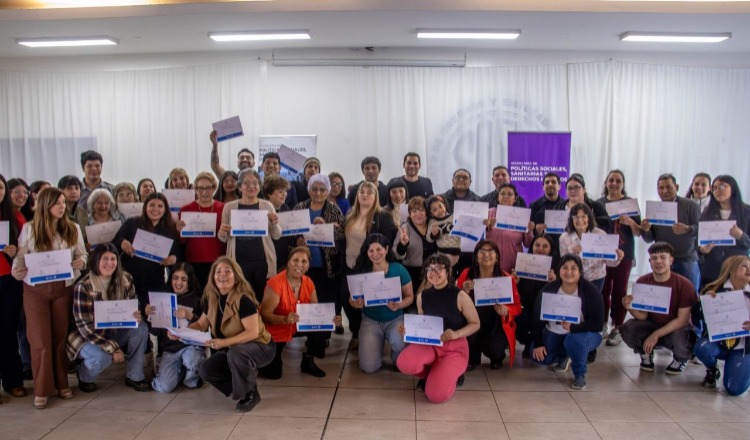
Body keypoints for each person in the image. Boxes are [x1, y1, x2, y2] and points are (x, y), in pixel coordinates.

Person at [12, 187, 87, 409]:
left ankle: (62, 384)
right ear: (45, 205)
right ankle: (42, 389)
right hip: (35, 289)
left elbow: (82, 254)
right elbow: (20, 257)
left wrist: (81, 262)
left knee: (59, 338)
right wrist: (17, 270)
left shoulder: (72, 228)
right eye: (57, 203)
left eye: (63, 203)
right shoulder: (29, 228)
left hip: (63, 287)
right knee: (39, 340)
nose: (62, 207)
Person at [191, 257, 275, 412]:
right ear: (213, 277)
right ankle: (243, 388)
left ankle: (251, 393)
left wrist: (224, 343)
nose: (222, 275)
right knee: (205, 369)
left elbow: (253, 332)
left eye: (227, 271)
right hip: (233, 349)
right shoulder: (211, 299)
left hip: (262, 346)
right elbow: (201, 324)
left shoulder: (243, 300)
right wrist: (181, 332)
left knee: (236, 354)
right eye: (218, 271)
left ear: (236, 277)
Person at [67, 243, 151, 393]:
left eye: (113, 259)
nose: (109, 263)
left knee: (141, 328)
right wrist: (113, 348)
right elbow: (85, 327)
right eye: (104, 259)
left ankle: (135, 375)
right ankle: (84, 376)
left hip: (115, 329)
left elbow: (133, 304)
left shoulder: (126, 279)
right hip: (87, 336)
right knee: (102, 358)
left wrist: (136, 315)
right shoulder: (83, 286)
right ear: (96, 260)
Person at [397, 254, 480, 403]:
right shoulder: (422, 296)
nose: (434, 272)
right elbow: (423, 324)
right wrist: (408, 331)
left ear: (448, 271)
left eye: (439, 268)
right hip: (430, 345)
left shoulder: (460, 296)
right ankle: (432, 374)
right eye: (430, 269)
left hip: (454, 348)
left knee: (436, 396)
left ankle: (452, 374)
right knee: (404, 363)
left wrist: (456, 334)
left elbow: (475, 323)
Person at [621, 242, 697, 375]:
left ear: (671, 260)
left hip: (676, 328)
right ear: (649, 262)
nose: (658, 261)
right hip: (652, 324)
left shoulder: (685, 285)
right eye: (654, 258)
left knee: (682, 340)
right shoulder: (643, 281)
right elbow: (642, 316)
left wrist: (656, 335)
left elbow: (683, 320)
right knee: (628, 328)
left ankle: (680, 359)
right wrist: (629, 307)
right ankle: (645, 353)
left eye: (663, 257)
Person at [259, 247, 335, 379]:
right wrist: (284, 319)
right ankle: (259, 359)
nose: (299, 265)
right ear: (288, 262)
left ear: (308, 265)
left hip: (298, 325)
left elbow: (316, 311)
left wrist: (331, 319)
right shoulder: (275, 283)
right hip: (277, 328)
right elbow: (265, 315)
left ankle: (308, 360)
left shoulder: (309, 282)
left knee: (322, 329)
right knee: (273, 374)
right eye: (295, 260)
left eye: (304, 261)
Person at [531, 254, 604, 390]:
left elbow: (598, 323)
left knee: (574, 340)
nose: (568, 272)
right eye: (564, 267)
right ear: (559, 270)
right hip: (555, 332)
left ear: (580, 271)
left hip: (583, 334)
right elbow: (537, 317)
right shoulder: (549, 289)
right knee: (538, 356)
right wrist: (538, 343)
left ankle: (579, 374)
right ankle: (566, 355)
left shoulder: (590, 291)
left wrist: (574, 328)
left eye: (573, 268)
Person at [349, 233, 413, 372]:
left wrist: (399, 305)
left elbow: (410, 297)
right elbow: (352, 298)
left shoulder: (399, 269)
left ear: (387, 249)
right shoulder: (363, 271)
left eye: (379, 249)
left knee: (400, 344)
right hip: (371, 320)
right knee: (368, 368)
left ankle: (396, 355)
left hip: (395, 319)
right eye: (371, 250)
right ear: (366, 252)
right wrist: (355, 303)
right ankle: (377, 345)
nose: (375, 254)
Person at [341, 182, 398, 338]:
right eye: (362, 192)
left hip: (369, 267)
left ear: (375, 196)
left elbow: (388, 241)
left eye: (369, 192)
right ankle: (356, 333)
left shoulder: (383, 216)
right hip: (349, 265)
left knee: (367, 302)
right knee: (347, 299)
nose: (365, 195)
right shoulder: (350, 214)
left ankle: (369, 336)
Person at [218, 169, 281, 301]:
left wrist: (274, 224)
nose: (252, 186)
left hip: (262, 262)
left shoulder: (267, 206)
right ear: (239, 187)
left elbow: (277, 235)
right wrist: (222, 232)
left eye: (255, 183)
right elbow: (223, 239)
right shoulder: (229, 207)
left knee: (262, 298)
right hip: (238, 262)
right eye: (247, 183)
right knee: (241, 299)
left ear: (259, 186)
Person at [457, 240, 521, 370]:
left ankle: (497, 357)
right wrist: (464, 291)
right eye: (482, 251)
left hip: (495, 325)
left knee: (495, 349)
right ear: (476, 257)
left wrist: (506, 310)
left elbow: (517, 307)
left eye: (491, 251)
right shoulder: (467, 274)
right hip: (471, 323)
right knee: (470, 354)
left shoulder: (506, 278)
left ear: (497, 258)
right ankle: (472, 356)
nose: (486, 254)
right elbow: (454, 302)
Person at [294, 174, 346, 334]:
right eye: (314, 189)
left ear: (328, 191)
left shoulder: (333, 209)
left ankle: (321, 337)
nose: (318, 193)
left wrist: (326, 227)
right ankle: (307, 333)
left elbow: (342, 234)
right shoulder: (300, 208)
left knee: (324, 301)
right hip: (303, 267)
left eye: (322, 189)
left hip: (326, 266)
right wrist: (297, 240)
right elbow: (290, 233)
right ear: (309, 190)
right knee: (305, 301)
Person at [693, 256, 750, 395]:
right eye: (744, 266)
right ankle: (712, 369)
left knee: (734, 389)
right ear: (731, 270)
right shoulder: (715, 289)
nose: (749, 269)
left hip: (744, 347)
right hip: (718, 343)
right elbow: (695, 317)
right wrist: (703, 303)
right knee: (702, 348)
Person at [596, 170, 641, 345]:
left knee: (620, 291)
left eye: (618, 180)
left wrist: (631, 222)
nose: (614, 183)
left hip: (625, 254)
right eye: (611, 180)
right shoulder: (599, 203)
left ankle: (618, 327)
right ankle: (602, 324)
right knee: (603, 290)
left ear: (623, 184)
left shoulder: (630, 204)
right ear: (606, 183)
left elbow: (638, 232)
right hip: (604, 253)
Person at [113, 192, 180, 308]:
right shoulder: (132, 223)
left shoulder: (170, 229)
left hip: (155, 281)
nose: (155, 209)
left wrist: (173, 259)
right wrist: (122, 242)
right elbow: (113, 245)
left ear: (165, 209)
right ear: (145, 207)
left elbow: (178, 253)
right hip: (129, 280)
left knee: (152, 313)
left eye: (160, 206)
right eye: (152, 205)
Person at [147, 262, 205, 393]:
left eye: (183, 279)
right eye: (175, 278)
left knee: (191, 361)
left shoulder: (198, 299)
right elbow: (154, 331)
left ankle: (191, 377)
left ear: (189, 281)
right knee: (164, 387)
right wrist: (150, 316)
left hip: (190, 346)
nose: (179, 282)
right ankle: (178, 371)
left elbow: (205, 329)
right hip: (170, 349)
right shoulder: (162, 298)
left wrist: (190, 316)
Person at [641, 173, 701, 291]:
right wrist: (646, 230)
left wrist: (687, 229)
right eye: (661, 188)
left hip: (686, 261)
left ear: (677, 187)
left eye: (668, 187)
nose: (664, 191)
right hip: (663, 262)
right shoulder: (654, 209)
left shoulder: (691, 205)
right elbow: (649, 239)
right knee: (664, 297)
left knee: (689, 296)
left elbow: (702, 230)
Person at [0, 174, 27, 401]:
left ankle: (12, 381)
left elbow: (27, 248)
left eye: (0, 188)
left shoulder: (15, 217)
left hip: (9, 280)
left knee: (7, 331)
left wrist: (15, 251)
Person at [697, 175, 750, 289]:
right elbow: (697, 242)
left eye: (722, 186)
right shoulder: (707, 212)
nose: (717, 191)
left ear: (733, 188)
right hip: (712, 270)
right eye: (714, 188)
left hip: (737, 269)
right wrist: (702, 249)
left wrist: (741, 236)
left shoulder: (747, 212)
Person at [177, 172, 226, 287]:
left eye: (208, 188)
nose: (204, 192)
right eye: (200, 188)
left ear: (214, 188)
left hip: (218, 261)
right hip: (193, 260)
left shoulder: (223, 208)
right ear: (196, 189)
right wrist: (179, 232)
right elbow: (182, 241)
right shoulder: (186, 209)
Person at [513, 234, 558, 356]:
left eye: (545, 246)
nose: (540, 248)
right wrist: (515, 283)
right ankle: (528, 342)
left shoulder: (557, 267)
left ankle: (536, 343)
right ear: (532, 247)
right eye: (537, 245)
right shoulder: (523, 264)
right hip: (527, 308)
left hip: (546, 310)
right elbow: (517, 295)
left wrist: (554, 282)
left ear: (551, 249)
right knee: (515, 320)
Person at [485, 183, 534, 273]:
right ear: (498, 197)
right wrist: (486, 228)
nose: (506, 196)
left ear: (515, 199)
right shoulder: (488, 213)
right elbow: (477, 239)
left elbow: (528, 244)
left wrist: (529, 231)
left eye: (510, 194)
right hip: (490, 265)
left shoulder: (522, 216)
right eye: (502, 193)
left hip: (513, 266)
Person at [393, 196, 438, 293]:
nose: (418, 214)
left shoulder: (433, 227)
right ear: (410, 214)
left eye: (421, 210)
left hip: (433, 273)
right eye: (414, 211)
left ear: (427, 212)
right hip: (410, 274)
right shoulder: (405, 228)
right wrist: (402, 244)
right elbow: (396, 255)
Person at [263, 174, 296, 271]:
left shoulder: (285, 207)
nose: (284, 194)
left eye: (285, 191)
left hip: (283, 257)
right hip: (266, 257)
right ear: (269, 194)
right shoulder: (262, 209)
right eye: (280, 192)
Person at [425, 195, 461, 270]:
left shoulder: (454, 216)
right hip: (442, 252)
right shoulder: (433, 222)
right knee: (444, 271)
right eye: (435, 210)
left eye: (440, 207)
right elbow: (428, 238)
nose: (439, 210)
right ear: (431, 214)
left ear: (445, 206)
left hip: (456, 251)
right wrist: (433, 234)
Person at [529, 172, 567, 237]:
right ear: (543, 187)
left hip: (562, 242)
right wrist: (535, 229)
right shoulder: (534, 205)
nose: (550, 184)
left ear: (559, 186)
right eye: (547, 182)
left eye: (553, 182)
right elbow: (529, 230)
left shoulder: (566, 205)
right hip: (541, 242)